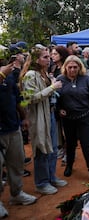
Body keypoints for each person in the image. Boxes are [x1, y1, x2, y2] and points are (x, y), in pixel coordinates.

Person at [20, 45, 67, 195]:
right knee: (41, 149)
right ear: (36, 59)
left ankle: (51, 177)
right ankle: (41, 183)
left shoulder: (43, 73)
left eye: (49, 56)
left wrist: (51, 85)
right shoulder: (29, 75)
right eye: (45, 57)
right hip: (38, 117)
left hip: (50, 114)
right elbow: (29, 98)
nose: (49, 59)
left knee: (52, 148)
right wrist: (52, 87)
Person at [0, 60, 37, 218]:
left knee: (17, 162)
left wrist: (25, 117)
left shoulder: (9, 77)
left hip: (13, 128)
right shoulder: (4, 74)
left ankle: (16, 194)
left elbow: (18, 98)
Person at [56, 55, 89, 181]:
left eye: (75, 67)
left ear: (80, 67)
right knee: (70, 144)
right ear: (66, 68)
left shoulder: (86, 79)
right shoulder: (60, 79)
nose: (72, 70)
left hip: (84, 117)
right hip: (68, 119)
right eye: (70, 67)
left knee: (87, 145)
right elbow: (55, 97)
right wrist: (59, 109)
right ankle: (69, 165)